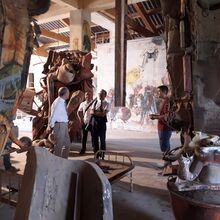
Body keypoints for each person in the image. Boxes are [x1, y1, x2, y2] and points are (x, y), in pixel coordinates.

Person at [149, 85, 172, 168]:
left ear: (164, 92)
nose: (157, 93)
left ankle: (167, 166)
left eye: (159, 91)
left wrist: (155, 117)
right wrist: (156, 115)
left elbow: (167, 115)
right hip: (162, 127)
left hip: (165, 127)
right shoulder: (164, 101)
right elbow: (163, 114)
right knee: (166, 146)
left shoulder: (167, 101)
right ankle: (168, 165)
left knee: (164, 147)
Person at [47, 87, 71, 158]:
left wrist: (66, 121)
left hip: (63, 125)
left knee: (67, 144)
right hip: (59, 125)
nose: (69, 94)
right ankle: (56, 162)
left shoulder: (62, 101)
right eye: (68, 92)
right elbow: (53, 114)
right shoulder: (58, 102)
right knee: (59, 146)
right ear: (65, 93)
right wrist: (50, 126)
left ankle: (63, 160)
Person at [91, 89, 109, 158]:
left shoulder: (106, 104)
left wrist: (96, 113)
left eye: (102, 94)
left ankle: (102, 154)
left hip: (102, 123)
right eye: (99, 94)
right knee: (95, 139)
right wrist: (99, 113)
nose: (100, 95)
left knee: (102, 139)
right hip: (94, 123)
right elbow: (91, 112)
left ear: (105, 95)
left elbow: (103, 114)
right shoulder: (95, 102)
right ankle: (96, 154)